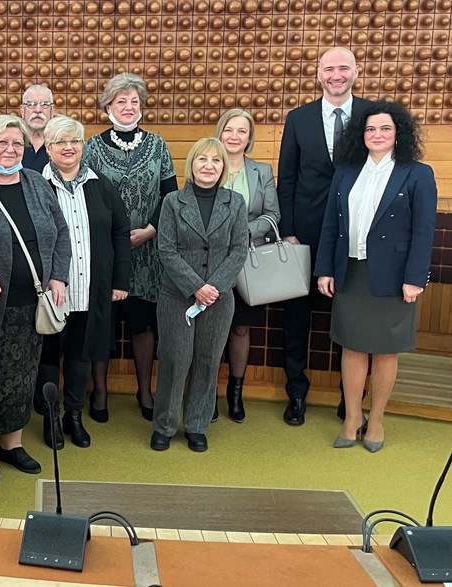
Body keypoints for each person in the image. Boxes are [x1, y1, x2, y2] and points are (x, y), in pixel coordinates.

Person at [316, 101, 436, 452]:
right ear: (361, 135)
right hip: (351, 271)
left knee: (385, 352)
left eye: (385, 128)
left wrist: (416, 277)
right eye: (370, 129)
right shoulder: (347, 171)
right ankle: (352, 418)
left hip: (395, 276)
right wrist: (325, 268)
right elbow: (330, 225)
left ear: (398, 134)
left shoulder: (417, 173)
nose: (377, 134)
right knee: (352, 347)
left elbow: (424, 230)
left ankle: (377, 419)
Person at [0, 115, 70, 484]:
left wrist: (58, 275)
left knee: (24, 376)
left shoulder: (38, 184)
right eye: (2, 142)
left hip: (33, 303)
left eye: (17, 144)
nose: (10, 150)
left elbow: (60, 231)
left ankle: (12, 444)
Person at [277, 47, 373, 425]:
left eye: (344, 68)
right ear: (319, 74)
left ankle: (349, 399)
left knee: (349, 320)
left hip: (356, 237)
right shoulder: (298, 118)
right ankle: (296, 394)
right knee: (297, 320)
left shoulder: (372, 116)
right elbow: (287, 180)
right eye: (329, 68)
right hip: (306, 236)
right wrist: (289, 232)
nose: (337, 75)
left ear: (356, 71)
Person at [82, 72, 178, 421]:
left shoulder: (158, 145)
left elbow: (170, 195)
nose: (128, 107)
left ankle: (144, 390)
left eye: (134, 101)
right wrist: (111, 236)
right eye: (121, 101)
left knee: (143, 324)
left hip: (147, 253)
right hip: (104, 252)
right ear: (108, 105)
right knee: (102, 322)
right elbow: (86, 196)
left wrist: (150, 230)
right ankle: (101, 392)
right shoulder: (91, 146)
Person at [152, 138, 248, 453]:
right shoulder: (172, 202)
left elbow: (238, 250)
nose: (208, 166)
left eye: (216, 161)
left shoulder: (234, 203)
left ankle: (197, 425)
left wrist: (213, 288)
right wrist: (195, 286)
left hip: (219, 299)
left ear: (224, 167)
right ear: (191, 164)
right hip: (177, 295)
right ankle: (164, 425)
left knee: (207, 362)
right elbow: (165, 249)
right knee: (174, 360)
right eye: (202, 160)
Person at [38, 116, 130, 444]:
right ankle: (49, 419)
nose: (68, 148)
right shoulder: (36, 185)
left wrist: (120, 280)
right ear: (48, 148)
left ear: (83, 146)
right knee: (48, 357)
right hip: (51, 292)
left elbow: (120, 232)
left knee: (81, 356)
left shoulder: (101, 185)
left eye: (74, 141)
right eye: (60, 142)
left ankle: (73, 416)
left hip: (91, 290)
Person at [213, 108, 281, 423]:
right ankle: (207, 393)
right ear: (220, 132)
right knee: (210, 329)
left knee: (240, 327)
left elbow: (272, 215)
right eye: (229, 130)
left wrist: (243, 232)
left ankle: (235, 394)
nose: (235, 137)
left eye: (242, 131)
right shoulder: (207, 163)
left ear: (249, 137)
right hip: (210, 261)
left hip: (249, 261)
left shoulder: (262, 172)